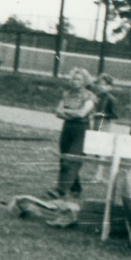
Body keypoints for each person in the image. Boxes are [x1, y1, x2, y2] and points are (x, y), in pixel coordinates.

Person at [47, 68, 97, 201]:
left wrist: (66, 112)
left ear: (85, 81)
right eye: (74, 79)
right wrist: (72, 113)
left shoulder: (89, 96)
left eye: (79, 79)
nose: (75, 82)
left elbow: (82, 113)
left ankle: (60, 191)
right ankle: (76, 188)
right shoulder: (67, 94)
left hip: (82, 129)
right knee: (64, 159)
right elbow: (57, 112)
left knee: (71, 159)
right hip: (67, 128)